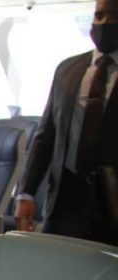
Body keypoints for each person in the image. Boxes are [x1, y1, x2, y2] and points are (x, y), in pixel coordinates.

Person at [14, 0, 118, 246]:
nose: (104, 23)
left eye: (114, 15)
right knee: (57, 270)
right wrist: (26, 191)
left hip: (112, 204)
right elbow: (45, 135)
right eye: (99, 15)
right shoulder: (68, 70)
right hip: (65, 198)